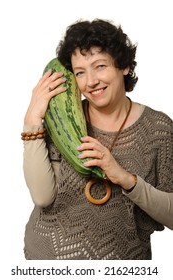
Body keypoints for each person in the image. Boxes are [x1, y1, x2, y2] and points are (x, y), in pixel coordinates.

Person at [22, 19, 173, 260]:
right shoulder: (64, 120)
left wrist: (125, 178)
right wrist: (32, 120)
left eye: (100, 66)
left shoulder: (158, 129)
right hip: (44, 261)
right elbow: (42, 197)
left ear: (124, 66)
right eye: (80, 72)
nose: (91, 81)